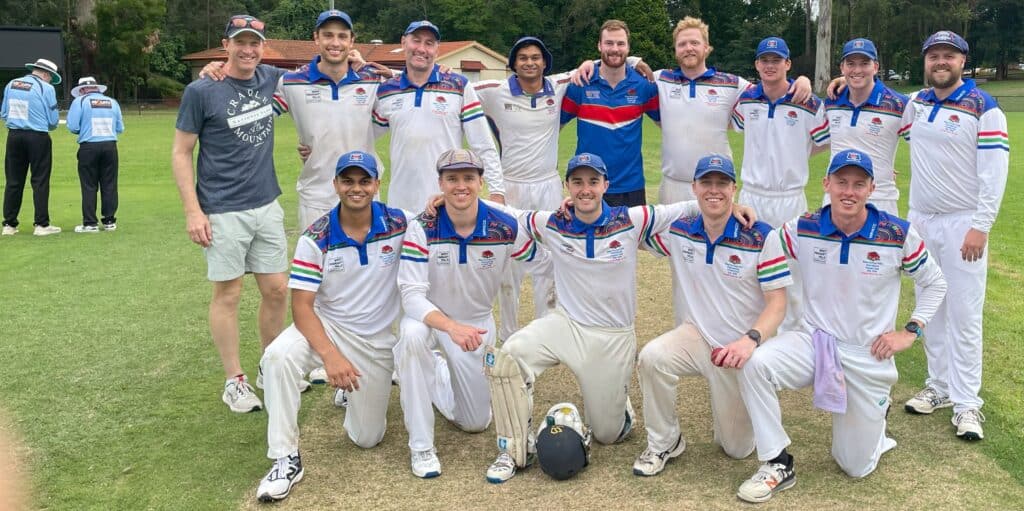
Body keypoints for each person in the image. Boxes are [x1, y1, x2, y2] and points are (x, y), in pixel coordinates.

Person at [483, 153, 755, 483]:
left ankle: (620, 411)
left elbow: (686, 207)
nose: (586, 189)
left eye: (593, 182)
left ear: (605, 185)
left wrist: (733, 207)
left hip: (612, 338)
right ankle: (513, 448)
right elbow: (509, 213)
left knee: (607, 435)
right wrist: (459, 199)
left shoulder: (631, 220)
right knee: (509, 355)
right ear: (567, 186)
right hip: (565, 325)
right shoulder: (552, 222)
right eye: (578, 182)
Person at [735, 149, 947, 503]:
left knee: (854, 466)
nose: (849, 192)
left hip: (867, 353)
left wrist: (910, 331)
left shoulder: (896, 234)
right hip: (814, 342)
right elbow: (768, 241)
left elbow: (935, 282)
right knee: (756, 364)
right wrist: (732, 211)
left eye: (858, 184)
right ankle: (777, 462)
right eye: (841, 182)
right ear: (827, 184)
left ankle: (876, 422)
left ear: (871, 188)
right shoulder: (805, 227)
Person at [255, 151, 408, 502]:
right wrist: (330, 356)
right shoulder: (316, 236)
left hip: (374, 341)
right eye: (348, 181)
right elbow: (301, 306)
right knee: (278, 356)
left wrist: (438, 200)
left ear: (376, 185)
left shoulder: (399, 223)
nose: (357, 188)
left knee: (368, 438)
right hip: (327, 327)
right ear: (336, 184)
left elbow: (442, 215)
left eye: (364, 181)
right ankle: (285, 458)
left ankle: (349, 393)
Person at [634, 154, 791, 477]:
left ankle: (742, 411)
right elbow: (626, 231)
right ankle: (665, 441)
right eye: (707, 183)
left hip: (738, 352)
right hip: (696, 337)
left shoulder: (762, 235)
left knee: (736, 449)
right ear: (694, 187)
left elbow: (777, 303)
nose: (714, 190)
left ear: (735, 188)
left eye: (722, 184)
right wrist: (578, 209)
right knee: (651, 358)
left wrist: (750, 341)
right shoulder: (679, 231)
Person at [395, 149, 541, 479]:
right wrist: (450, 327)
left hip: (475, 324)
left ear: (480, 181)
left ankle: (434, 369)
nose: (460, 186)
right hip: (431, 320)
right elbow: (412, 297)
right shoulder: (423, 227)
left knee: (476, 423)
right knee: (411, 337)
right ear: (440, 183)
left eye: (468, 178)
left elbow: (541, 260)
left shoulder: (503, 225)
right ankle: (421, 446)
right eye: (452, 179)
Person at [171, 15, 290, 413]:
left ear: (263, 46)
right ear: (226, 44)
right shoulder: (201, 90)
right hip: (221, 209)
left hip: (266, 203)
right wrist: (193, 211)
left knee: (276, 289)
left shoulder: (269, 76)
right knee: (229, 293)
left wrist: (359, 60)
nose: (248, 50)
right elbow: (181, 152)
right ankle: (234, 380)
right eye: (240, 42)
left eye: (254, 42)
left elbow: (322, 68)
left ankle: (269, 366)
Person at [900, 31, 1008, 441]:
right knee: (933, 308)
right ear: (925, 62)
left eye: (948, 56)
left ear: (963, 60)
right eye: (933, 56)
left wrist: (980, 226)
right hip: (922, 222)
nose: (940, 62)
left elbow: (993, 174)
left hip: (964, 222)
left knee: (964, 314)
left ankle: (967, 405)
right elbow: (872, 101)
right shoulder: (918, 103)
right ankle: (939, 387)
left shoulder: (985, 107)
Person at [730, 36, 829, 334]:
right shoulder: (747, 100)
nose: (770, 65)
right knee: (749, 265)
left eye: (777, 60)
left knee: (791, 270)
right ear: (757, 65)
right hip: (752, 196)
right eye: (765, 60)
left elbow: (823, 142)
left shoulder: (809, 103)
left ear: (788, 64)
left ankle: (791, 335)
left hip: (789, 198)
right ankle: (752, 329)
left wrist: (797, 153)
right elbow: (735, 124)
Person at [372, 20, 505, 211]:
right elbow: (363, 135)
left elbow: (482, 143)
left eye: (429, 43)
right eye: (416, 41)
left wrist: (497, 192)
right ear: (403, 43)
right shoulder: (387, 91)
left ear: (437, 49)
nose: (421, 48)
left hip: (446, 201)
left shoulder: (459, 86)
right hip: (400, 204)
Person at [560, 20, 659, 207]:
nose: (615, 49)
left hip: (631, 188)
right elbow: (553, 129)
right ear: (599, 45)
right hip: (589, 187)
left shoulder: (643, 86)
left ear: (629, 47)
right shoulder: (580, 84)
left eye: (620, 43)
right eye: (609, 43)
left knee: (632, 238)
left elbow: (668, 125)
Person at [823, 38, 908, 215]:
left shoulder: (899, 104)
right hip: (837, 198)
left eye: (864, 63)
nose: (857, 70)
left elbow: (925, 144)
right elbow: (814, 143)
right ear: (842, 68)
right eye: (851, 64)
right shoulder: (831, 102)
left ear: (875, 67)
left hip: (881, 199)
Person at [1, 58, 61, 236]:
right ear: (45, 74)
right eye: (51, 77)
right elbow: (53, 121)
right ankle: (41, 225)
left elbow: (4, 113)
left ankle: (9, 225)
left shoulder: (12, 84)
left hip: (14, 136)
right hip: (38, 136)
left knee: (13, 180)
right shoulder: (46, 88)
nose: (50, 80)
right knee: (40, 180)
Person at [67, 76, 124, 233]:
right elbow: (120, 128)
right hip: (110, 146)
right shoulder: (112, 102)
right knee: (109, 184)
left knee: (89, 185)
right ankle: (109, 221)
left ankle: (90, 223)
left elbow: (72, 126)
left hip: (89, 147)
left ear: (83, 90)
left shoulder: (80, 102)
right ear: (96, 88)